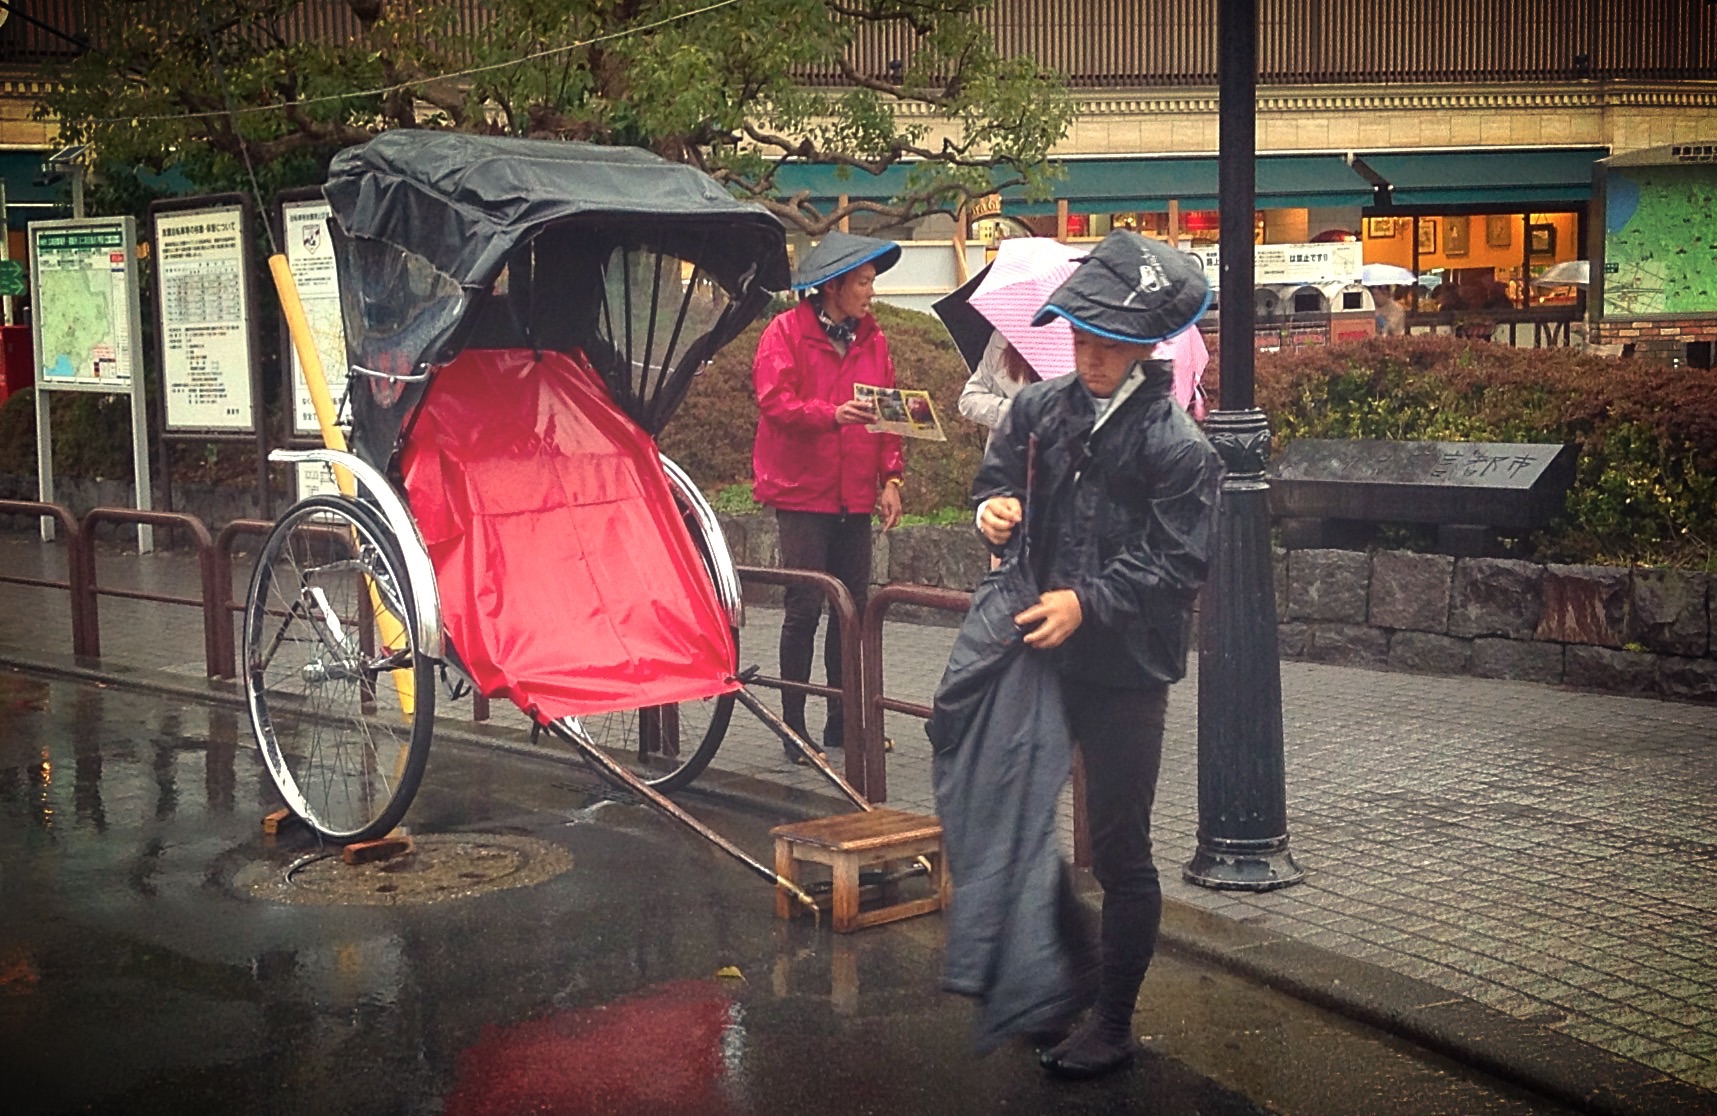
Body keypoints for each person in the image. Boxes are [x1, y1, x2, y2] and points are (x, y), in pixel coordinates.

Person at [971, 230, 1222, 1079]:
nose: (1090, 357)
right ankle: (1068, 979)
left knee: (1119, 850)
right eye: (1080, 337)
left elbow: (1176, 561)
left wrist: (1088, 601)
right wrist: (994, 512)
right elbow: (995, 480)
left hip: (1126, 669)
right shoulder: (1039, 409)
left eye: (1108, 343)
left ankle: (1112, 1020)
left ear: (1144, 346)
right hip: (1040, 648)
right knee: (1016, 819)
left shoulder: (1177, 445)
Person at [752, 231, 905, 757]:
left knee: (851, 610)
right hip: (801, 491)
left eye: (871, 282)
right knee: (805, 608)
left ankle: (843, 721)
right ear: (834, 285)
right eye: (862, 282)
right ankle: (794, 726)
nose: (870, 292)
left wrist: (890, 478)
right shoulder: (784, 332)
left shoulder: (874, 339)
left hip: (854, 493)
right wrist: (831, 415)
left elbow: (886, 413)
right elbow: (774, 401)